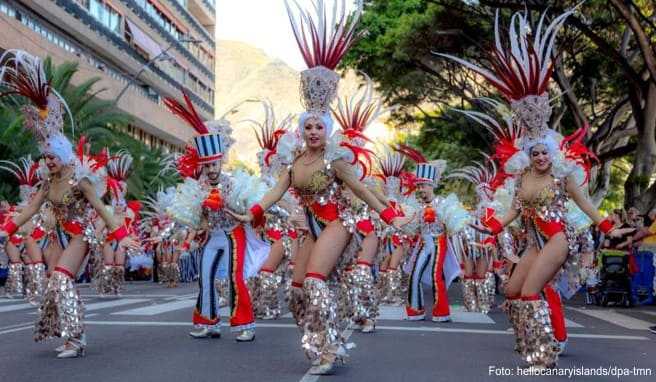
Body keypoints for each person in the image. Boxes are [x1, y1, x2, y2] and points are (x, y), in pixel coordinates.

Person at [440, 7, 615, 368]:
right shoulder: (521, 178)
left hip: (556, 239)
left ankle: (544, 353)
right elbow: (515, 211)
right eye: (533, 152)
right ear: (528, 154)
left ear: (551, 151)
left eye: (543, 152)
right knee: (512, 290)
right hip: (534, 241)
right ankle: (530, 344)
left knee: (532, 291)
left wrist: (609, 226)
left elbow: (584, 204)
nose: (539, 157)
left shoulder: (561, 176)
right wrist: (488, 227)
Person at [0, 50, 138, 358]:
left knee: (62, 279)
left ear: (63, 156)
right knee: (56, 283)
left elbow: (102, 209)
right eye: (44, 157)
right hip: (56, 234)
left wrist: (120, 235)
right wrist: (5, 231)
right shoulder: (47, 183)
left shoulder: (81, 180)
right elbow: (31, 209)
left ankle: (76, 339)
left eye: (51, 157)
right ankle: (70, 333)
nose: (47, 162)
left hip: (80, 234)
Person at [163, 92, 270, 342]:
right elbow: (198, 220)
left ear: (221, 162)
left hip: (233, 233)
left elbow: (245, 213)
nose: (211, 170)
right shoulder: (199, 187)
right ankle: (208, 322)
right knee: (206, 276)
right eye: (207, 165)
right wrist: (198, 215)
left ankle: (245, 325)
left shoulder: (233, 185)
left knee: (235, 278)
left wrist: (226, 203)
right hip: (213, 235)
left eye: (215, 164)